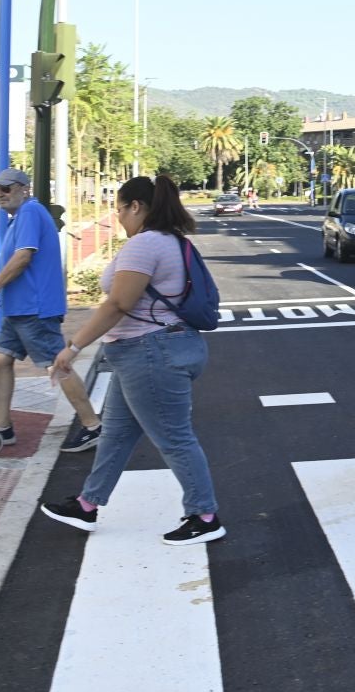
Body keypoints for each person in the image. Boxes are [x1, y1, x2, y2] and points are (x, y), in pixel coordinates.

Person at [41, 174, 225, 546]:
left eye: (121, 210)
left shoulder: (145, 245)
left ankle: (205, 515)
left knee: (174, 439)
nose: (120, 218)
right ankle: (87, 504)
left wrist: (73, 347)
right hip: (151, 352)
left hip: (151, 354)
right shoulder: (172, 241)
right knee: (116, 434)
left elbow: (118, 303)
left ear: (137, 207)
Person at [0, 169, 104, 454]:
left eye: (7, 189)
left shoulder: (29, 212)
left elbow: (23, 257)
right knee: (1, 358)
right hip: (19, 309)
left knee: (58, 364)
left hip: (34, 309)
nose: (1, 194)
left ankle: (93, 426)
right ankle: (2, 427)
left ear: (24, 189)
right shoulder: (19, 218)